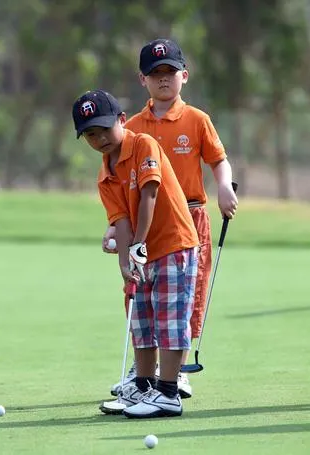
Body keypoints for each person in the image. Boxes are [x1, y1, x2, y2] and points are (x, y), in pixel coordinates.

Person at [105, 38, 238, 398]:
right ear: (142, 80)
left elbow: (218, 159)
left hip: (190, 218)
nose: (163, 80)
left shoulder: (197, 120)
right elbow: (119, 182)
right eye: (155, 74)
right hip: (143, 224)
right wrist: (113, 226)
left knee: (184, 297)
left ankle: (174, 372)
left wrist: (223, 186)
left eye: (170, 72)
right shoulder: (130, 126)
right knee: (139, 293)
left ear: (184, 76)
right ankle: (143, 369)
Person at [73, 89, 199, 418]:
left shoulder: (144, 145)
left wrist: (139, 245)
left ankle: (168, 393)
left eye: (103, 128)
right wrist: (125, 261)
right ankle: (143, 387)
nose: (99, 138)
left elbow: (149, 194)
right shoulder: (105, 175)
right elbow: (121, 220)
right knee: (141, 320)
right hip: (144, 253)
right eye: (90, 134)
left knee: (170, 320)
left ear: (122, 120)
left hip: (174, 244)